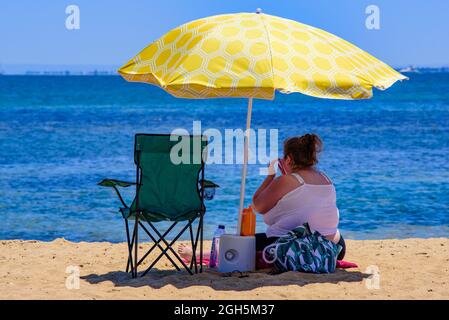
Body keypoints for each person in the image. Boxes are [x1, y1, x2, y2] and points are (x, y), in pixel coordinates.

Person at [252, 133, 346, 260]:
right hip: (334, 246)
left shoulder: (286, 181)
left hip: (294, 247)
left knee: (246, 242)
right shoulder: (325, 178)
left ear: (289, 159)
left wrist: (270, 176)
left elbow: (257, 206)